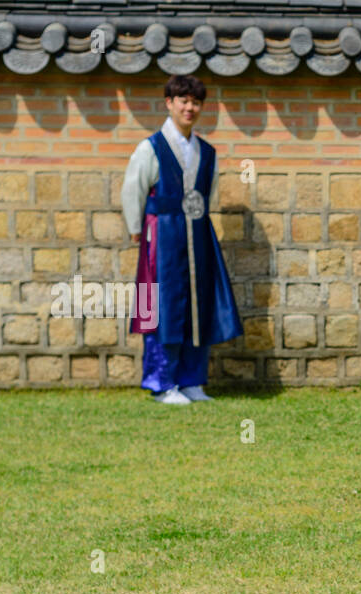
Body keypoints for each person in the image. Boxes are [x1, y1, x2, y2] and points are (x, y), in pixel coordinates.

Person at [121, 74, 242, 404]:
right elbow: (134, 187)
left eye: (196, 102)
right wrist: (136, 226)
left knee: (197, 304)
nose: (190, 108)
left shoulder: (206, 151)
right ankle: (162, 382)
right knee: (162, 303)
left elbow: (209, 194)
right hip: (163, 236)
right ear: (169, 104)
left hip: (198, 235)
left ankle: (192, 380)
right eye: (184, 101)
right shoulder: (151, 147)